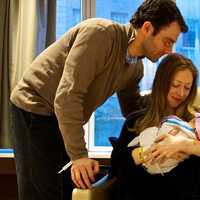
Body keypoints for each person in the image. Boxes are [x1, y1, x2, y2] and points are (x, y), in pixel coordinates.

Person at [10, 0, 188, 199]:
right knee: (42, 191)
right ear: (147, 28)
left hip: (62, 117)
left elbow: (133, 109)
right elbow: (68, 97)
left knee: (64, 188)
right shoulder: (100, 35)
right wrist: (79, 156)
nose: (170, 50)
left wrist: (170, 101)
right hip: (35, 106)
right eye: (168, 41)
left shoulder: (135, 68)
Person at [110, 53, 200, 200]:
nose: (181, 93)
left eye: (187, 88)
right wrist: (147, 152)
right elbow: (117, 164)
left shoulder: (195, 123)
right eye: (175, 85)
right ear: (162, 82)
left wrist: (185, 145)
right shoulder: (136, 121)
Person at [128, 114, 200, 175]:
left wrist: (185, 144)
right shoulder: (137, 118)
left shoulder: (191, 126)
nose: (182, 96)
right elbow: (119, 159)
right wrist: (147, 151)